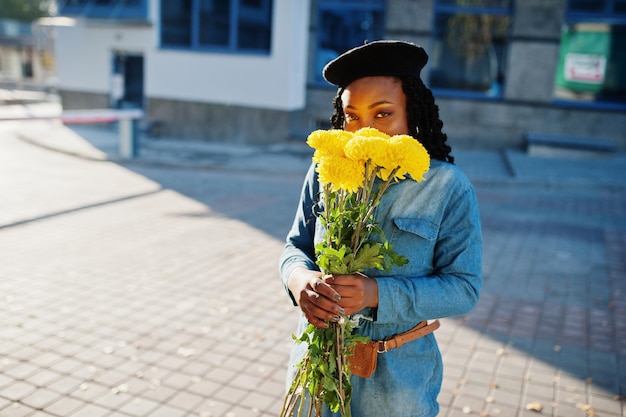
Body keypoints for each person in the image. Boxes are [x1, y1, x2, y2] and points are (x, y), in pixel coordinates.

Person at [279, 40, 483, 417]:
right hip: (316, 373)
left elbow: (464, 287)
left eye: (383, 113)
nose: (364, 130)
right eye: (352, 115)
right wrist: (300, 282)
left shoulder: (447, 186)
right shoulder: (325, 171)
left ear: (412, 114)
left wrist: (377, 293)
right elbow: (295, 248)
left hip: (395, 385)